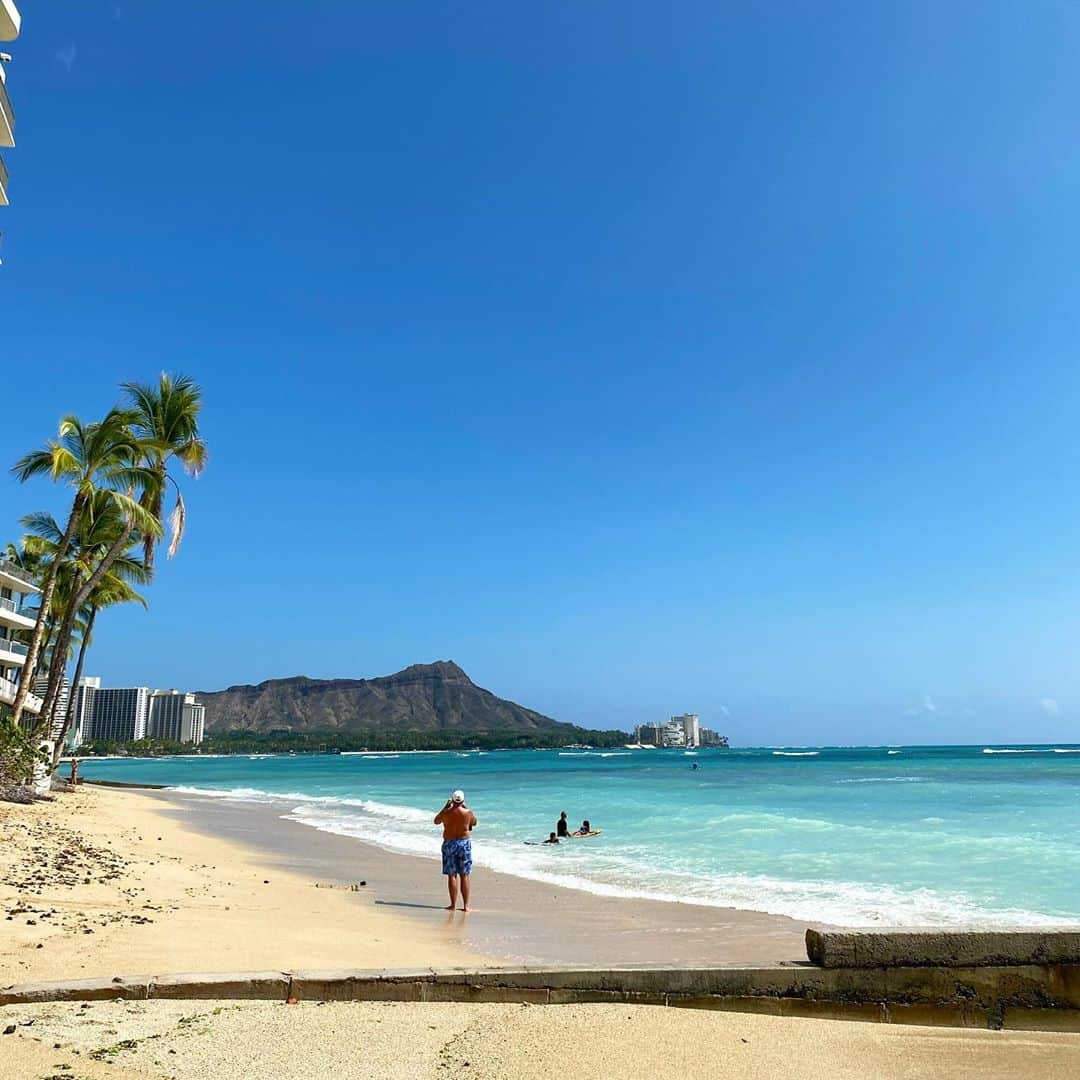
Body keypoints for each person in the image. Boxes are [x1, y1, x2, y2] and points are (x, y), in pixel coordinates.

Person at [434, 789, 477, 911]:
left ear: (452, 800)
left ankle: (453, 905)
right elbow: (474, 823)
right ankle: (466, 906)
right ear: (463, 800)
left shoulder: (446, 813)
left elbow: (436, 821)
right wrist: (466, 807)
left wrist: (445, 807)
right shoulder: (467, 812)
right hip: (464, 843)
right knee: (464, 875)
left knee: (452, 875)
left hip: (449, 843)